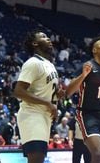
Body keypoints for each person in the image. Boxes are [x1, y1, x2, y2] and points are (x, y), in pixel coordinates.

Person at [13, 30, 60, 163]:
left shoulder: (50, 64)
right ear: (35, 43)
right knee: (36, 158)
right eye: (44, 37)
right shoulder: (33, 62)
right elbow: (19, 91)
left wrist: (57, 95)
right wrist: (48, 103)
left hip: (44, 116)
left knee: (38, 159)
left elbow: (46, 92)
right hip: (32, 115)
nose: (49, 39)